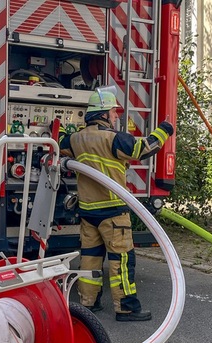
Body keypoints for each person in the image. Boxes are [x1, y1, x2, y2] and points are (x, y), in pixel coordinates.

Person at [60, 87, 174, 322]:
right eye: (113, 112)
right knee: (121, 259)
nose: (116, 116)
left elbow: (60, 143)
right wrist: (165, 130)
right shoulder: (114, 139)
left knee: (90, 257)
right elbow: (144, 149)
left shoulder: (75, 139)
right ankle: (127, 307)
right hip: (113, 211)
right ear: (102, 113)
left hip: (88, 211)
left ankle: (88, 303)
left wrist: (60, 127)